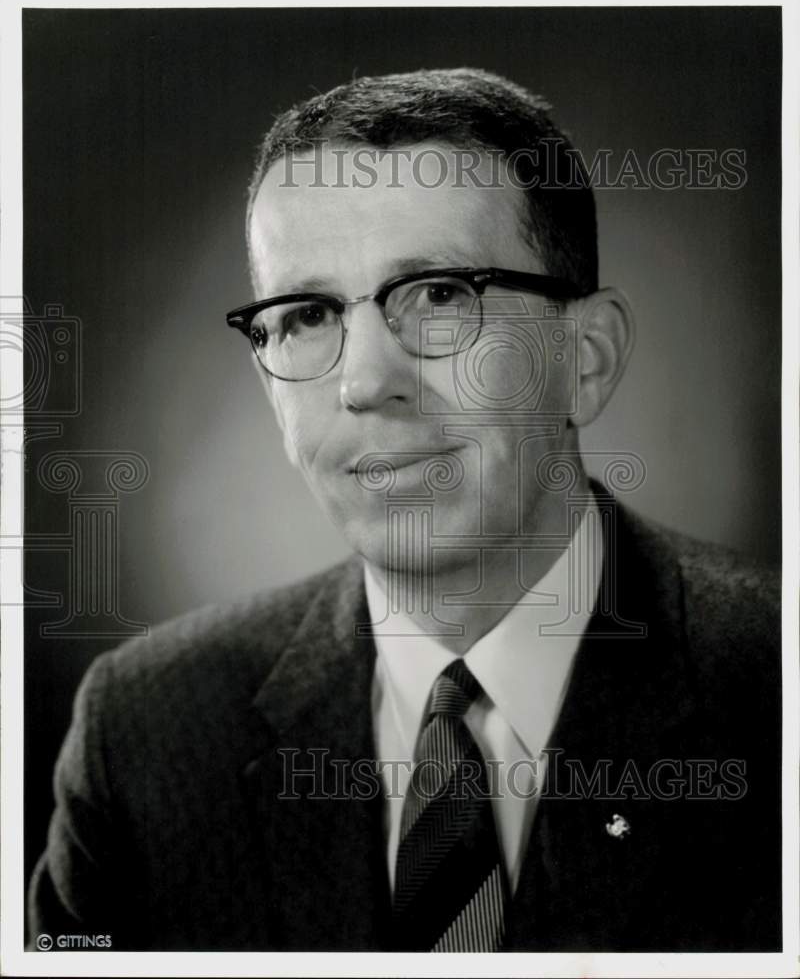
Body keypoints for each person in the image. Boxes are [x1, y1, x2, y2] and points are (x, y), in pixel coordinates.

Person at [28, 68, 780, 953]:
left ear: (587, 358)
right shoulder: (146, 734)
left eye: (439, 295)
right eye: (306, 313)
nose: (363, 384)